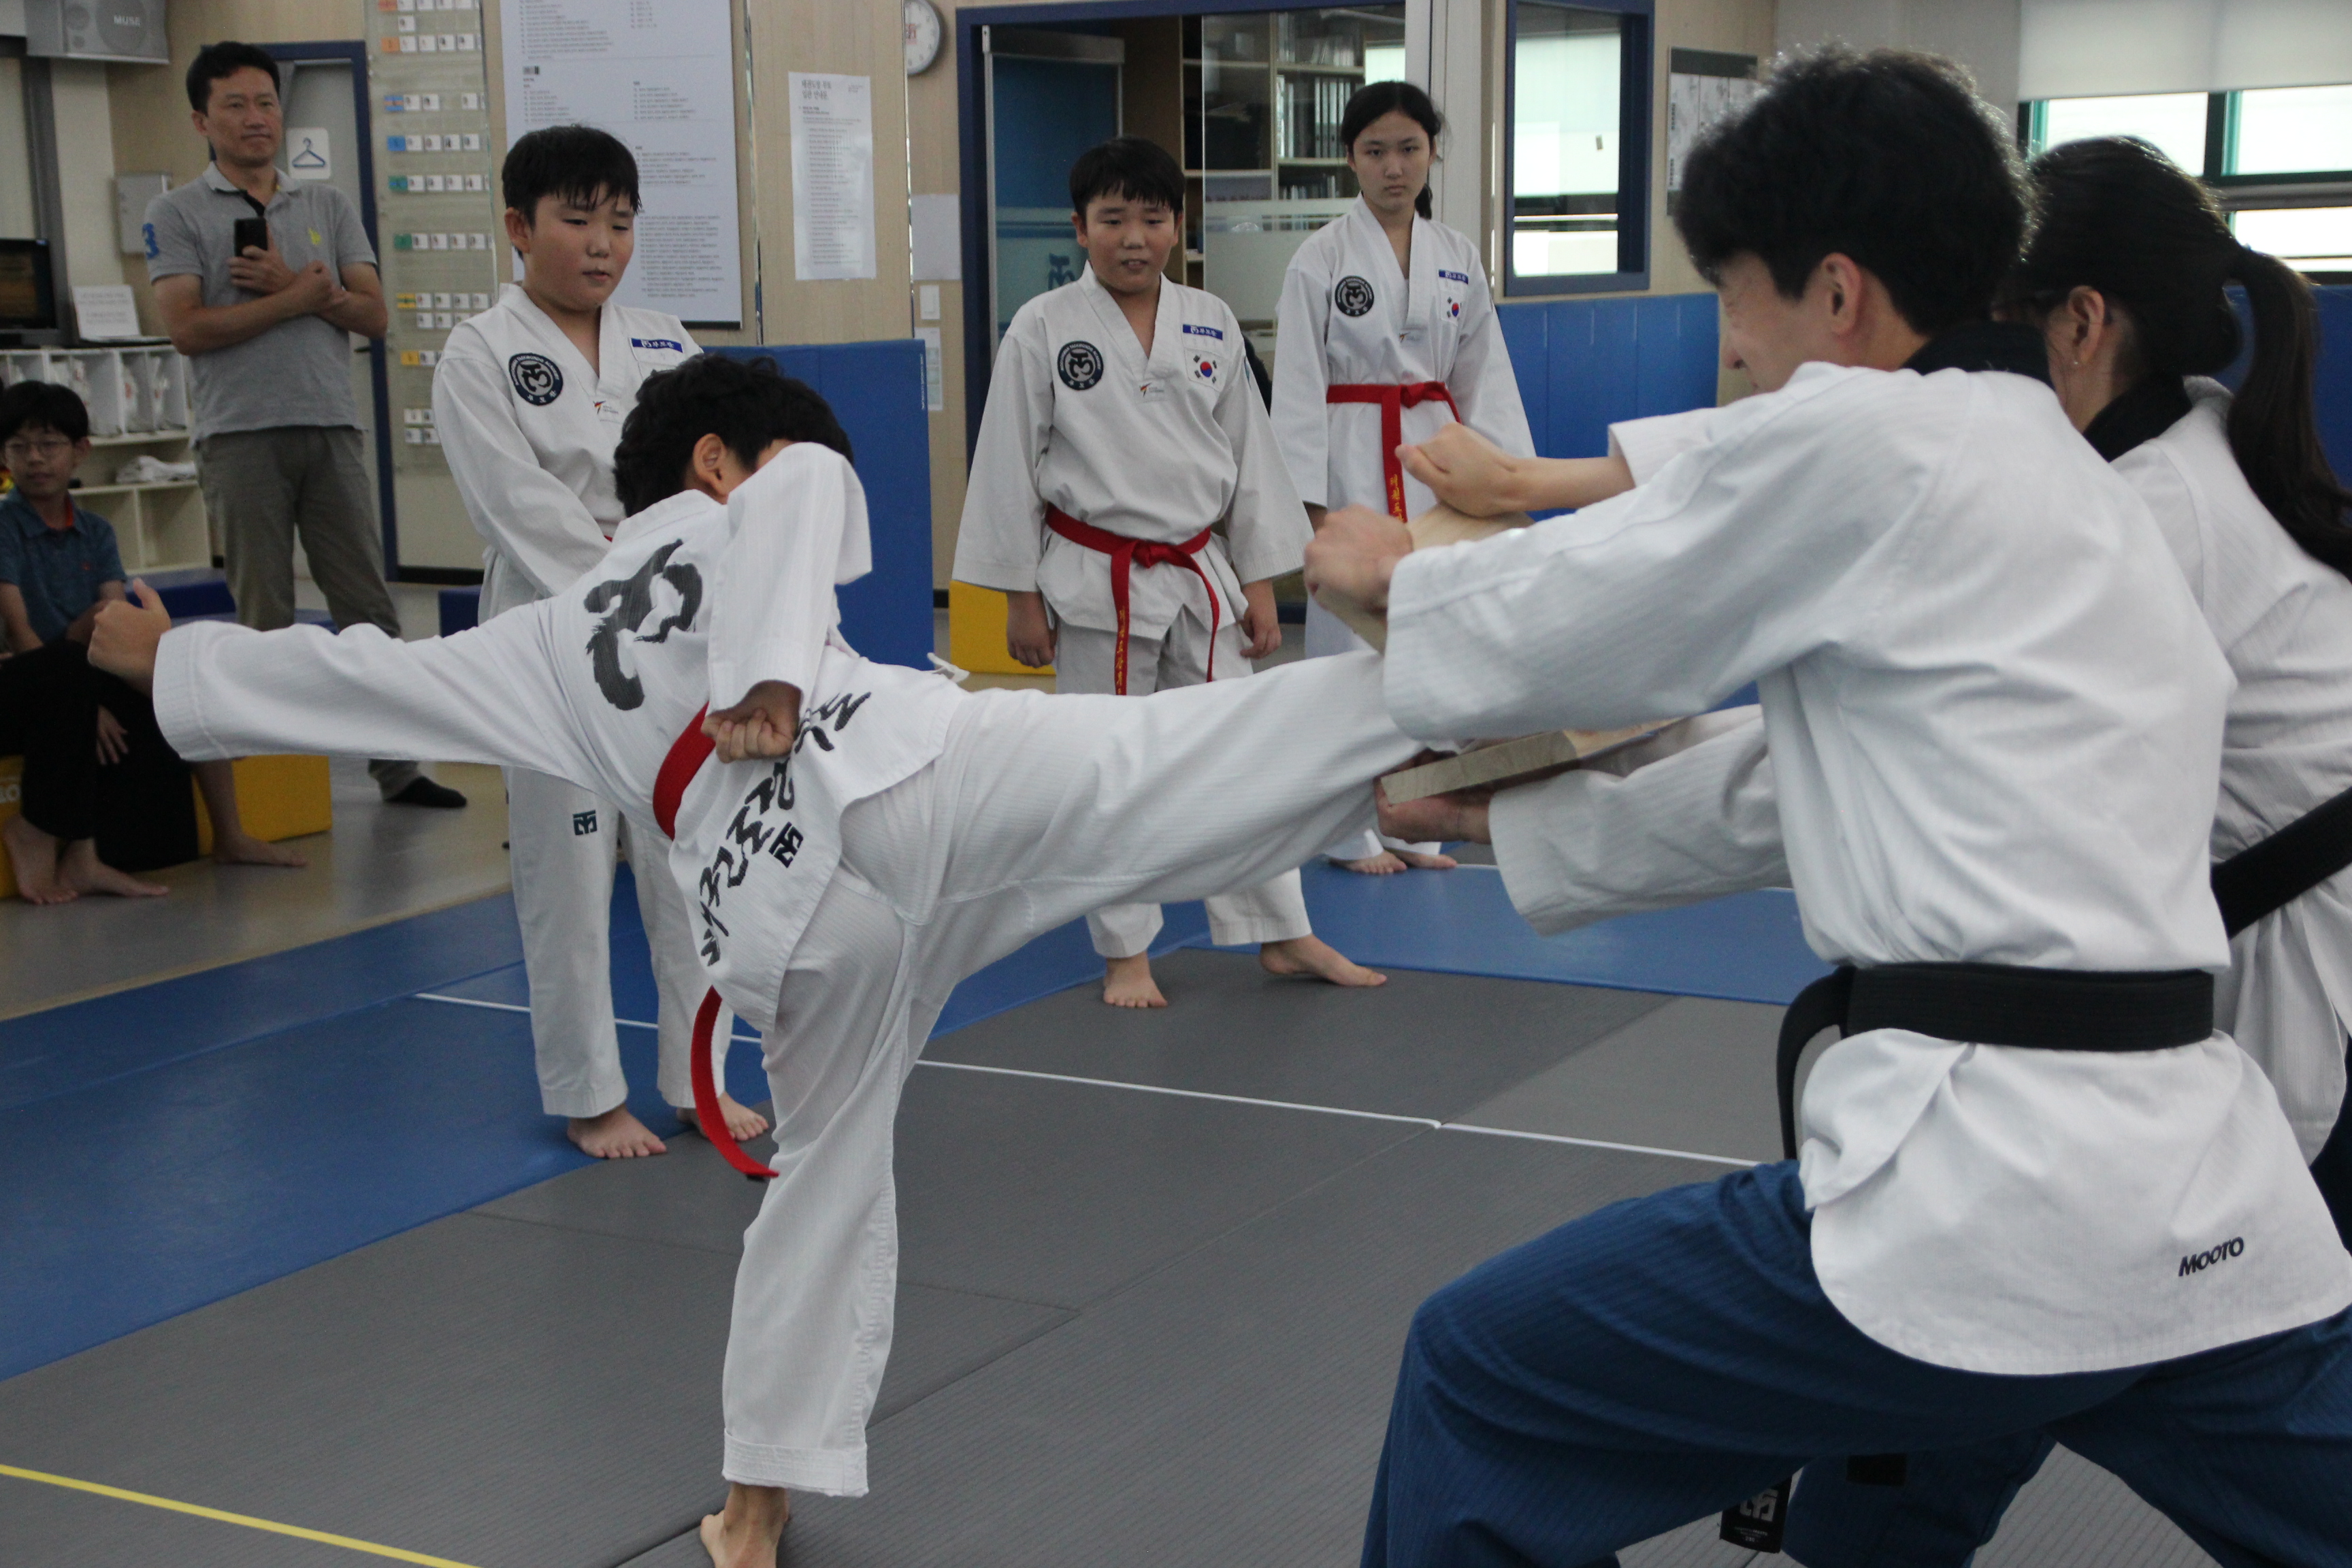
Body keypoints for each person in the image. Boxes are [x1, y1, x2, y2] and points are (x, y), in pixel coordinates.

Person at [88, 350, 1426, 1568]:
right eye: (777, 454)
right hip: (902, 771)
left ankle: (752, 1507)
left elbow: (364, 676)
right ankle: (1451, 714)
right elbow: (807, 485)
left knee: (821, 1186)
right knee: (1176, 761)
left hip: (778, 915)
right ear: (715, 460)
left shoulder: (545, 640)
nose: (799, 474)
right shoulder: (757, 498)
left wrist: (178, 663)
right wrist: (772, 676)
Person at [1305, 49, 2352, 1567]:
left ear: (1840, 293)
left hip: (1988, 1186)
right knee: (1887, 1514)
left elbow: (1599, 613)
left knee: (1482, 1379)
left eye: (1737, 300)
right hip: (2202, 1192)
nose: (1732, 350)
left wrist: (1390, 576)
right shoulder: (2078, 484)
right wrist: (1515, 827)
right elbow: (1808, 777)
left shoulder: (1877, 439)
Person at [952, 135, 1383, 1008]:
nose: (1133, 238)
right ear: (1080, 228)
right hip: (1094, 581)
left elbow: (1251, 462)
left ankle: (1282, 930)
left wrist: (1259, 588)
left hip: (1199, 573)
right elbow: (1006, 466)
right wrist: (1019, 600)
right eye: (1112, 219)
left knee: (1243, 759)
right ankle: (1126, 951)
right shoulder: (1043, 327)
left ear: (1178, 226)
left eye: (1152, 219)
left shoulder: (1211, 319)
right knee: (1110, 773)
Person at [436, 125, 755, 1159]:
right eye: (578, 220)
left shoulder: (665, 340)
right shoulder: (482, 350)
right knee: (566, 879)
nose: (603, 243)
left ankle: (698, 1078)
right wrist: (631, 573)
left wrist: (693, 570)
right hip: (552, 637)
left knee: (687, 864)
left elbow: (717, 472)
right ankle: (588, 1094)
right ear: (519, 228)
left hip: (672, 635)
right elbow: (512, 502)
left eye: (620, 222)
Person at [146, 40, 464, 812]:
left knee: (368, 608)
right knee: (265, 618)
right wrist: (298, 300)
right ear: (202, 120)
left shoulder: (326, 206)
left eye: (266, 103)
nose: (256, 118)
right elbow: (187, 328)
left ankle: (399, 769)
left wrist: (293, 284)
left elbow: (374, 315)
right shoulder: (176, 212)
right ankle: (275, 788)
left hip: (330, 426)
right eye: (236, 105)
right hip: (239, 435)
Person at [1271, 80, 1531, 875]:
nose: (1394, 167)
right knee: (1347, 640)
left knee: (1434, 635)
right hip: (1351, 455)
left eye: (1409, 149)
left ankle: (1416, 820)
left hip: (1437, 454)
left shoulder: (1457, 256)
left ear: (1432, 154)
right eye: (1376, 151)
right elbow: (1298, 386)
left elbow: (1486, 378)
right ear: (1350, 158)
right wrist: (1311, 507)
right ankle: (1344, 829)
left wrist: (1503, 486)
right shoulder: (1320, 258)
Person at [0, 380, 302, 902]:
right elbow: (18, 627)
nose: (35, 459)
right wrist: (80, 702)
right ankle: (64, 847)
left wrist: (123, 679)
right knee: (81, 656)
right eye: (19, 447)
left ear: (80, 451)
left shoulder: (96, 530)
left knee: (177, 669)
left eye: (48, 445)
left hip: (80, 668)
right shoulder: (4, 527)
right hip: (33, 676)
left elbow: (118, 620)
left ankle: (230, 832)